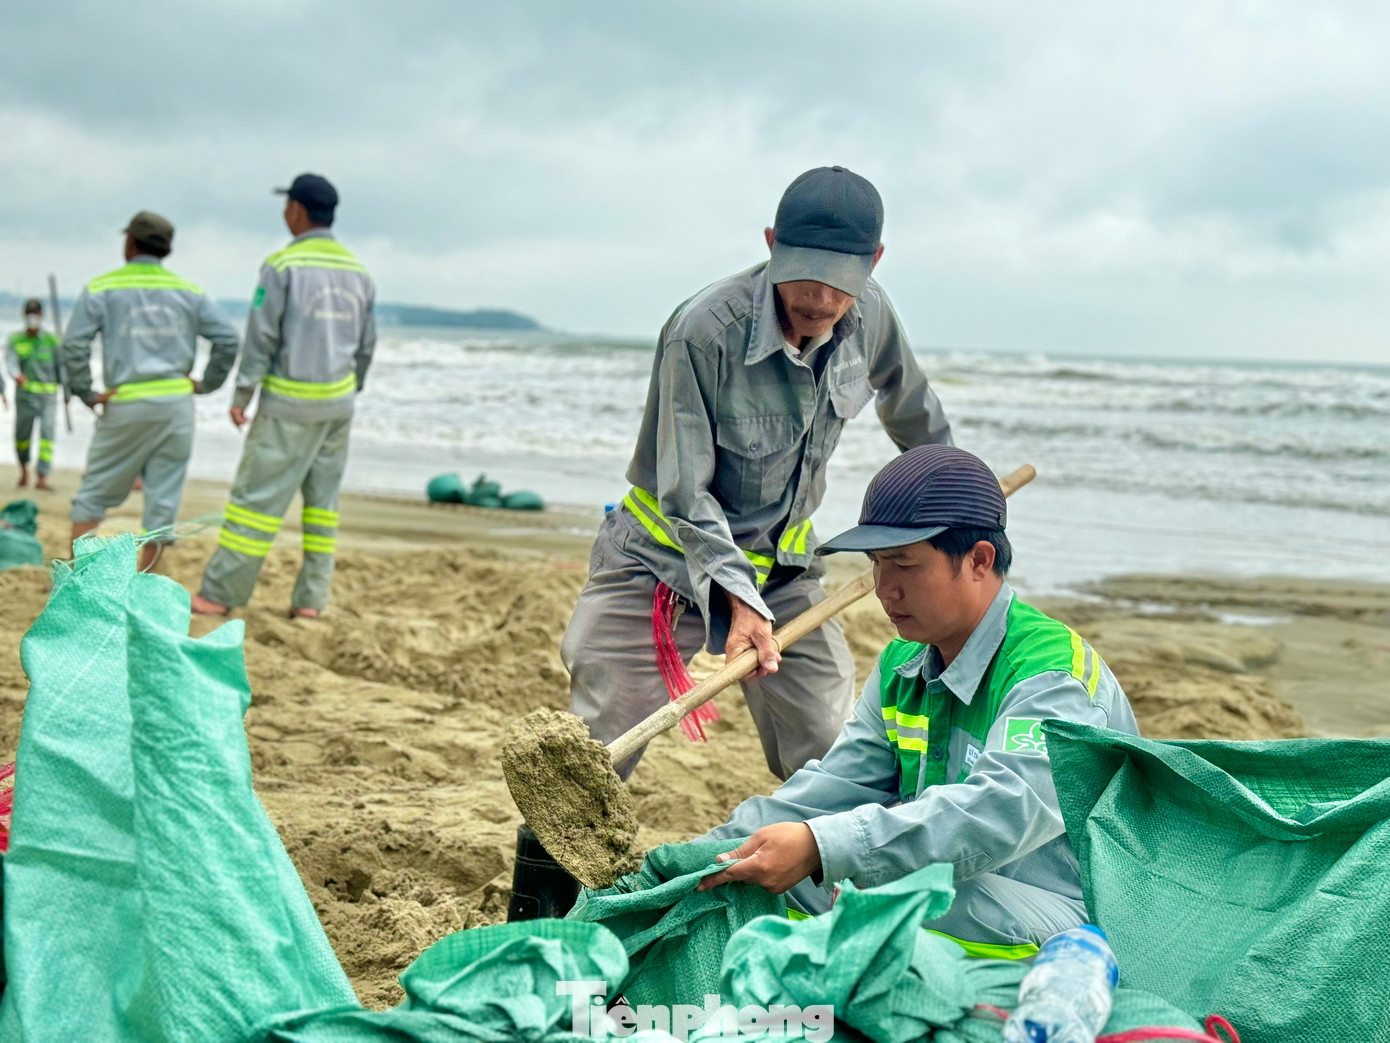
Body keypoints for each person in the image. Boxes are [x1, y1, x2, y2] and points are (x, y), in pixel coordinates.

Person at [562, 166, 952, 782]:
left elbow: (911, 409)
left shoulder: (871, 315)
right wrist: (736, 596)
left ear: (873, 262)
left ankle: (826, 872)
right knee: (593, 758)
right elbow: (686, 493)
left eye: (840, 281)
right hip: (661, 564)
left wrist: (955, 499)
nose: (818, 299)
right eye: (802, 275)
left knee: (832, 748)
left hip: (783, 575)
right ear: (771, 244)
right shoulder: (702, 333)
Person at [696, 444, 1140, 954]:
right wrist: (709, 853)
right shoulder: (902, 665)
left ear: (979, 561)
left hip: (1075, 916)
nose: (885, 590)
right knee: (759, 874)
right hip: (960, 884)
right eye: (877, 564)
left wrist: (823, 846)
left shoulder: (1052, 676)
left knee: (901, 893)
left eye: (904, 565)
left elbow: (998, 815)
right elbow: (832, 785)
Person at [190, 173, 376, 619]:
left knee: (254, 504)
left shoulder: (282, 266)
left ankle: (218, 594)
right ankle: (311, 601)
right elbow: (367, 346)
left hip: (288, 407)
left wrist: (242, 394)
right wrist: (353, 388)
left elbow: (261, 337)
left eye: (286, 205)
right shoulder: (359, 272)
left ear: (296, 209)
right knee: (323, 509)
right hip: (338, 406)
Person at [62, 211, 239, 571]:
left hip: (127, 402)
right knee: (163, 500)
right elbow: (228, 338)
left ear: (129, 242)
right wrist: (206, 384)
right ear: (166, 249)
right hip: (176, 407)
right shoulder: (189, 291)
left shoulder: (102, 288)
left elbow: (73, 345)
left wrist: (87, 392)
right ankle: (147, 582)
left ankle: (76, 578)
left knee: (94, 493)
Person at [7, 299, 60, 489]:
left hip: (48, 399)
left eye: (35, 313)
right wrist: (15, 375)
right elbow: (10, 362)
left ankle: (42, 476)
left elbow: (61, 368)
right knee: (22, 436)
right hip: (25, 398)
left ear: (41, 315)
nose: (33, 317)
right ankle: (23, 470)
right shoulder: (15, 340)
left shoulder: (52, 341)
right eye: (30, 313)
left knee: (47, 435)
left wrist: (70, 390)